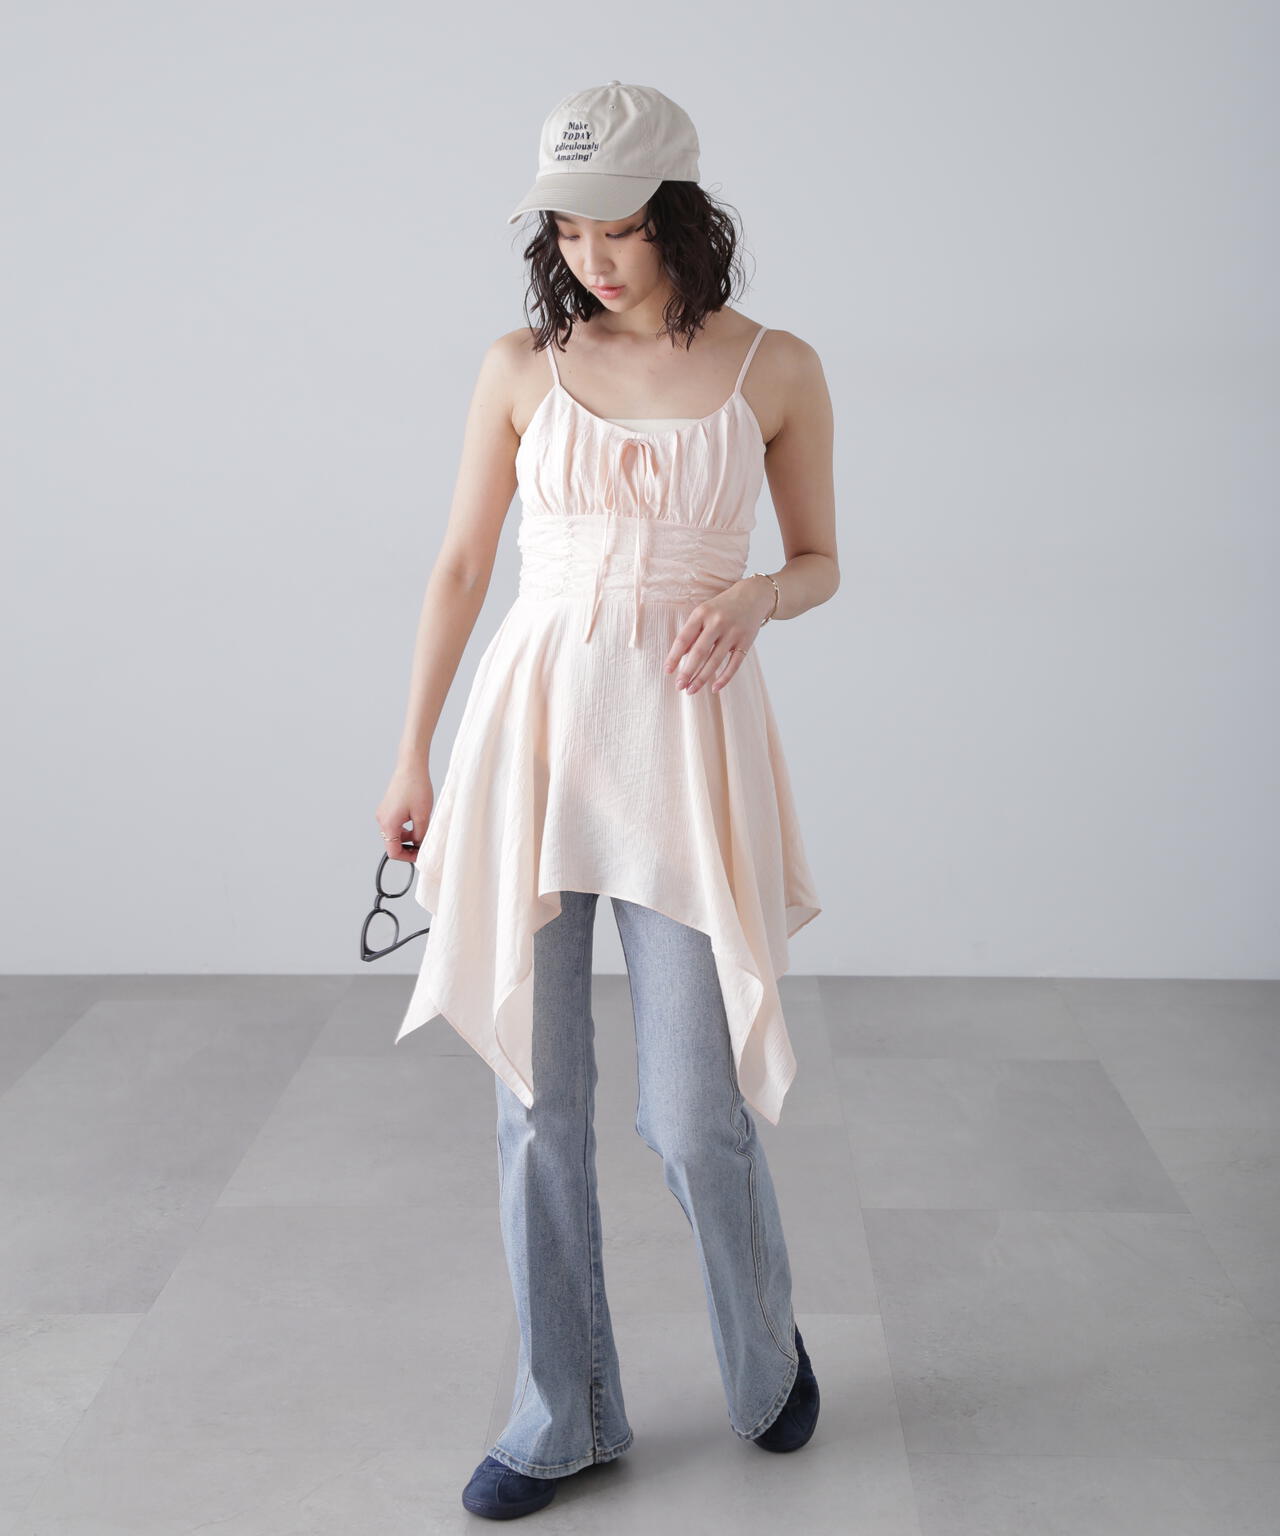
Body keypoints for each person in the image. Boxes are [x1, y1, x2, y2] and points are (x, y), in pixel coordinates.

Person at [375, 81, 838, 1521]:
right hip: (532, 738)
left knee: (693, 1111)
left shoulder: (776, 366)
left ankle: (767, 1361)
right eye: (570, 232)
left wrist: (756, 596)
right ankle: (562, 1414)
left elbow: (821, 558)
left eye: (622, 229)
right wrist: (412, 754)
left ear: (683, 217)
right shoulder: (521, 365)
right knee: (536, 1104)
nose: (595, 258)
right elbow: (463, 567)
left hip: (684, 749)